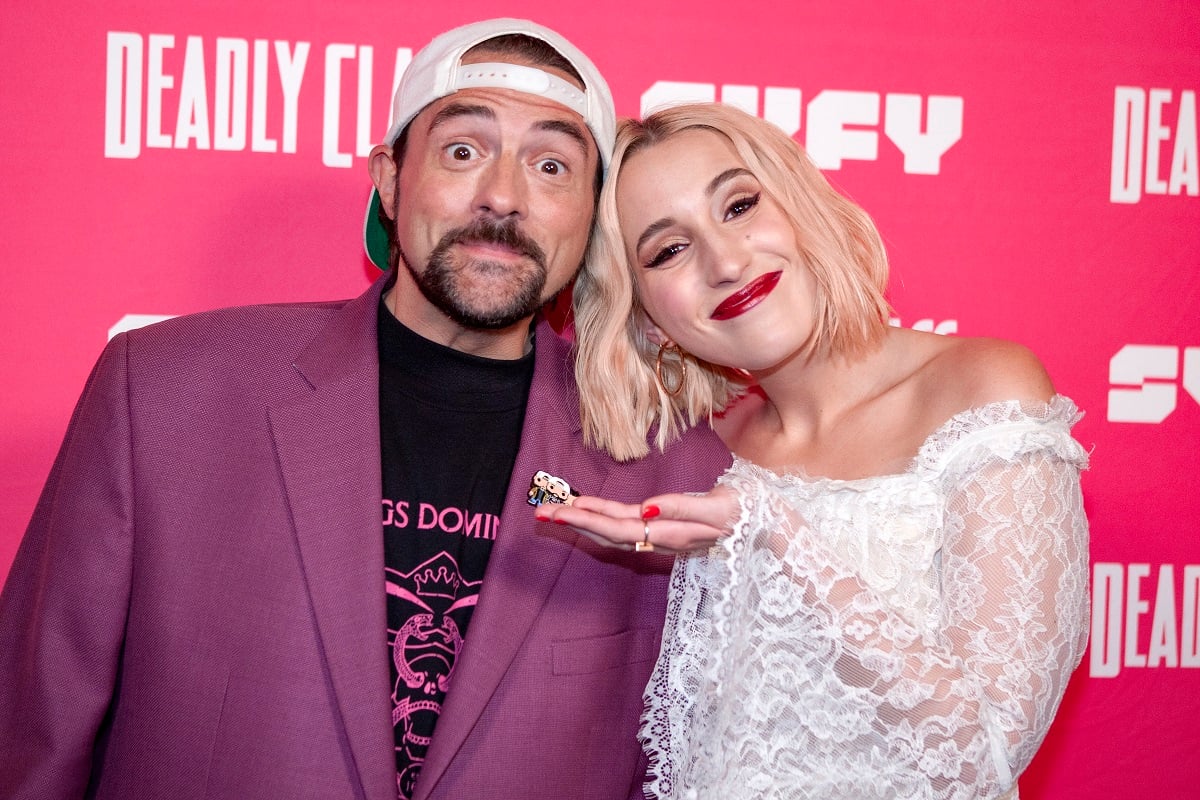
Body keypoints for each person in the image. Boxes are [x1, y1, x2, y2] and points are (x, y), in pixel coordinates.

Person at [0, 21, 730, 800]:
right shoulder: (166, 392)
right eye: (463, 150)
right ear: (389, 177)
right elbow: (34, 736)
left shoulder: (673, 471)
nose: (504, 196)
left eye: (552, 165)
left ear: (591, 217)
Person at [534, 103, 1090, 799]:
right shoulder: (705, 457)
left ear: (800, 206)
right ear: (650, 319)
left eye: (738, 206)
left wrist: (776, 536)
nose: (726, 260)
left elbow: (984, 755)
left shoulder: (983, 388)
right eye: (668, 250)